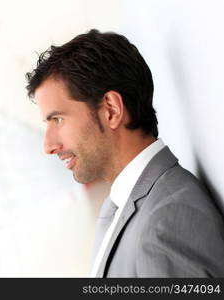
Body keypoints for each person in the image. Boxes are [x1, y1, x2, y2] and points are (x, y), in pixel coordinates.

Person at [25, 29, 224, 277]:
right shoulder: (121, 203)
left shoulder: (167, 221)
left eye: (58, 120)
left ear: (111, 109)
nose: (48, 145)